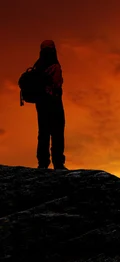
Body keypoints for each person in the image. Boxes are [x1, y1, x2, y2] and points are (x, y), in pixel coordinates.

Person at [33, 40, 67, 170]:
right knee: (57, 132)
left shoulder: (38, 65)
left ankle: (43, 163)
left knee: (43, 133)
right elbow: (57, 84)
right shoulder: (54, 65)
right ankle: (58, 162)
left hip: (41, 104)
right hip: (54, 102)